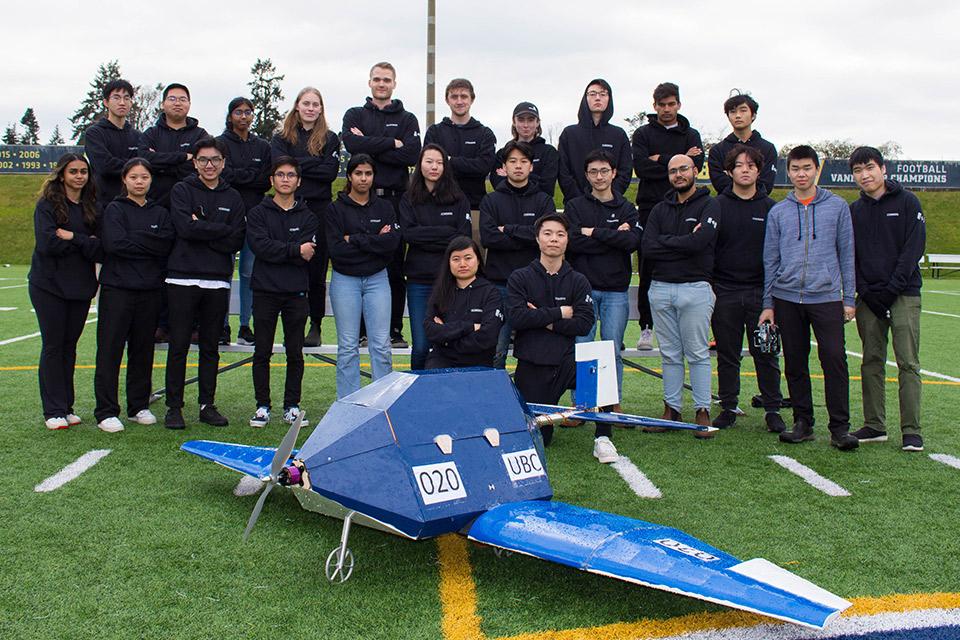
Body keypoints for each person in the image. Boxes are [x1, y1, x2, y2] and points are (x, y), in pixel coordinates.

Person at [760, 145, 859, 451]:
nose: (801, 174)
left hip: (826, 297)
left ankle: (840, 428)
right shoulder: (778, 211)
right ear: (788, 172)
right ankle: (803, 423)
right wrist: (768, 304)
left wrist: (849, 298)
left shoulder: (838, 207)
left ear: (817, 169)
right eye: (795, 169)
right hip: (787, 297)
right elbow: (770, 260)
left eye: (806, 168)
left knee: (834, 359)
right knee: (795, 362)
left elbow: (847, 254)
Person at [507, 214, 616, 464]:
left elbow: (584, 322)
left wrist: (543, 319)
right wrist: (560, 313)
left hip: (566, 361)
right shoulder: (520, 277)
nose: (553, 239)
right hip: (532, 363)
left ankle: (603, 438)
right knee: (542, 439)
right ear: (537, 239)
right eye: (547, 233)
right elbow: (517, 318)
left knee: (601, 371)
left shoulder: (578, 280)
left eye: (560, 234)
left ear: (567, 240)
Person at [163, 137, 246, 429]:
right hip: (181, 278)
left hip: (217, 281)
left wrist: (202, 226)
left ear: (223, 163)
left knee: (210, 347)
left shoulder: (233, 197)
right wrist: (217, 230)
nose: (209, 165)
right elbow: (184, 228)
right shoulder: (182, 190)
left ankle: (207, 405)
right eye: (203, 160)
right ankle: (174, 407)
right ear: (195, 162)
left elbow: (236, 239)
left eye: (215, 160)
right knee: (179, 345)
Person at [848, 146, 926, 452]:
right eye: (857, 170)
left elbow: (912, 250)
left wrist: (891, 290)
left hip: (903, 293)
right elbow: (850, 254)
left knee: (908, 363)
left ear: (882, 168)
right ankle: (875, 425)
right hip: (869, 298)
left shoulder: (907, 201)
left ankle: (911, 430)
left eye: (869, 167)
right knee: (871, 361)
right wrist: (867, 291)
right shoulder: (854, 210)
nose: (864, 175)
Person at [342, 62, 422, 348]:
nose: (381, 84)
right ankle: (363, 331)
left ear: (394, 84)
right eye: (377, 79)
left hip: (395, 199)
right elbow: (352, 146)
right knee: (362, 261)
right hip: (360, 199)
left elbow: (412, 155)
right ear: (369, 82)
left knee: (393, 265)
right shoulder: (355, 114)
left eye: (387, 80)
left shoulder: (408, 117)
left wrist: (371, 144)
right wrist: (392, 144)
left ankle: (394, 330)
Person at [94, 159, 175, 433]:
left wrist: (136, 239)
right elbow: (115, 244)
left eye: (144, 177)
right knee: (110, 350)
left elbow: (165, 245)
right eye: (134, 177)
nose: (139, 182)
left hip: (150, 290)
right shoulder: (114, 209)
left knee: (142, 350)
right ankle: (106, 410)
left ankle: (138, 405)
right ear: (124, 180)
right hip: (117, 289)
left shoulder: (160, 213)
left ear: (150, 180)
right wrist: (146, 242)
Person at [642, 154, 719, 434]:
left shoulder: (710, 204)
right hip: (661, 288)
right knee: (670, 354)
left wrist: (668, 243)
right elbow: (648, 248)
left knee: (697, 353)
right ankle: (671, 410)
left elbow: (701, 242)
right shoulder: (659, 210)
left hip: (695, 288)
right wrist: (683, 242)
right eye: (673, 171)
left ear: (695, 171)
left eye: (683, 169)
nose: (678, 175)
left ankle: (702, 411)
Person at [710, 145, 785, 432]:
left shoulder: (771, 209)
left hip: (760, 293)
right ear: (729, 171)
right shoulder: (717, 205)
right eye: (739, 165)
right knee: (728, 354)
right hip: (725, 291)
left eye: (750, 165)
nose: (745, 169)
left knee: (766, 353)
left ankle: (773, 409)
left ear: (758, 170)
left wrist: (771, 298)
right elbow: (708, 249)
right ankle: (728, 406)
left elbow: (778, 255)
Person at [28, 154, 101, 430]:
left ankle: (67, 406)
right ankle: (53, 410)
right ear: (62, 175)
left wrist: (73, 237)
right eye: (73, 172)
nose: (79, 176)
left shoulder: (91, 207)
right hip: (48, 285)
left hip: (80, 286)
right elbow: (47, 244)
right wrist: (85, 244)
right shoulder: (47, 205)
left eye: (83, 171)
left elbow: (101, 247)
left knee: (69, 348)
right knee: (53, 345)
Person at [246, 157, 318, 428]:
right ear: (272, 180)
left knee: (294, 352)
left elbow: (308, 253)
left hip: (296, 292)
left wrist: (288, 251)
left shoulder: (309, 217)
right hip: (265, 291)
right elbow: (261, 247)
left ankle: (292, 406)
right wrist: (292, 250)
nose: (285, 179)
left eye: (290, 175)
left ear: (298, 181)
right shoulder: (257, 213)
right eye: (280, 174)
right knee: (262, 351)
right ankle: (262, 406)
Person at [565, 150, 641, 409]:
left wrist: (593, 232)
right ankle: (582, 404)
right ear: (586, 175)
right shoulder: (575, 206)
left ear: (614, 173)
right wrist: (611, 237)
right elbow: (573, 243)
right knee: (583, 348)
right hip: (582, 290)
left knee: (612, 350)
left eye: (604, 171)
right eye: (594, 172)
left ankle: (612, 402)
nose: (599, 176)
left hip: (616, 291)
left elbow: (630, 242)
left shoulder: (626, 208)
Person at [632, 82, 704, 350]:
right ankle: (647, 327)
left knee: (689, 260)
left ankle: (686, 327)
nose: (666, 109)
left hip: (688, 207)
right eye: (661, 105)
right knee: (648, 266)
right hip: (651, 207)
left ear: (679, 105)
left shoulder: (692, 133)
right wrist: (677, 159)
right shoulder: (642, 133)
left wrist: (658, 159)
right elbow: (641, 167)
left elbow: (694, 168)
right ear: (654, 106)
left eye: (671, 104)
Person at [326, 154, 400, 398]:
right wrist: (374, 241)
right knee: (348, 347)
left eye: (368, 173)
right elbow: (337, 250)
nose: (364, 178)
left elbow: (390, 245)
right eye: (359, 173)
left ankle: (383, 402)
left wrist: (354, 239)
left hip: (377, 279)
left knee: (381, 345)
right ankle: (348, 403)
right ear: (349, 176)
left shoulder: (385, 207)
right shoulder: (335, 209)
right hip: (345, 279)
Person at [272, 87, 341, 347]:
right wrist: (312, 163)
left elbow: (330, 173)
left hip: (319, 209)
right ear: (297, 105)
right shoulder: (282, 136)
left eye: (316, 104)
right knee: (289, 263)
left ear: (321, 108)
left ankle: (315, 324)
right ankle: (292, 322)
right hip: (290, 207)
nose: (311, 108)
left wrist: (297, 164)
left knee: (316, 268)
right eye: (306, 103)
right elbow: (280, 167)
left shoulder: (330, 138)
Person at [479, 140, 557, 368]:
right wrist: (529, 235)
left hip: (535, 285)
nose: (518, 166)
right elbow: (489, 238)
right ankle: (495, 401)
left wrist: (509, 230)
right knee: (496, 350)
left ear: (531, 166)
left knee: (535, 350)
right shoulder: (491, 200)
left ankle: (532, 397)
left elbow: (546, 239)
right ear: (504, 167)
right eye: (512, 161)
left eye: (524, 161)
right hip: (499, 284)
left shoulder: (544, 201)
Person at [399, 144, 472, 369]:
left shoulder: (458, 199)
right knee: (421, 345)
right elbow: (409, 234)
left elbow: (463, 238)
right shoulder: (408, 198)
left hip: (450, 283)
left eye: (439, 162)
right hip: (418, 282)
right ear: (420, 164)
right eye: (429, 161)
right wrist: (445, 233)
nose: (434, 167)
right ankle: (416, 396)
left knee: (449, 342)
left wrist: (426, 233)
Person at [218, 97, 272, 346]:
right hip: (226, 217)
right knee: (224, 272)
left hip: (255, 218)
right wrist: (247, 175)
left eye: (248, 112)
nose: (243, 116)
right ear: (230, 116)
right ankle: (223, 325)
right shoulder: (220, 144)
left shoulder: (262, 146)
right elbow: (223, 177)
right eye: (238, 112)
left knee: (249, 273)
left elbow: (263, 180)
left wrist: (241, 176)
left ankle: (244, 325)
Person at [423, 78, 497, 243]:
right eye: (454, 96)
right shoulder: (435, 132)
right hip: (438, 206)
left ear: (472, 99)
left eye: (464, 96)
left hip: (475, 208)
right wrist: (468, 164)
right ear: (447, 100)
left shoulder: (484, 134)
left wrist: (448, 161)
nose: (459, 101)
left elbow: (483, 167)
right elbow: (428, 168)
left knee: (472, 263)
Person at [424, 236, 503, 368]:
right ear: (448, 263)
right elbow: (430, 330)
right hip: (441, 361)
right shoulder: (440, 292)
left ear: (478, 260)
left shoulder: (491, 293)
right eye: (456, 259)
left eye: (468, 258)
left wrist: (447, 340)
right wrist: (470, 327)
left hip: (478, 362)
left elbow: (488, 335)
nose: (462, 264)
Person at [557, 79, 631, 203]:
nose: (598, 98)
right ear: (585, 98)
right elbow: (564, 172)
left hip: (611, 205)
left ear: (609, 98)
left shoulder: (619, 135)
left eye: (603, 94)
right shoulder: (569, 134)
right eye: (592, 94)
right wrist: (579, 201)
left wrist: (608, 197)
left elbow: (625, 171)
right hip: (576, 205)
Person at [138, 83, 209, 208]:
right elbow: (144, 162)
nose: (177, 103)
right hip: (155, 205)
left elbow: (202, 167)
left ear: (189, 104)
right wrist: (182, 157)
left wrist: (160, 166)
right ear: (162, 104)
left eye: (182, 99)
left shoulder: (200, 135)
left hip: (192, 204)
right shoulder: (151, 134)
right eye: (172, 99)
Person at [706, 92, 778, 195]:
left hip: (759, 206)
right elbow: (720, 184)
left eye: (743, 110)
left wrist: (735, 179)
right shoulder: (717, 150)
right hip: (726, 207)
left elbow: (766, 184)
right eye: (733, 111)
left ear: (753, 115)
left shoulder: (768, 148)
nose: (738, 115)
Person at [84, 78, 140, 208]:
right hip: (103, 204)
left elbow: (146, 165)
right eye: (116, 98)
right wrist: (134, 165)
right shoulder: (94, 134)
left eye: (126, 98)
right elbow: (104, 166)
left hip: (133, 204)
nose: (122, 103)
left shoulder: (138, 136)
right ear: (106, 102)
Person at [490, 102, 559, 198]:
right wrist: (535, 178)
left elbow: (547, 187)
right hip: (508, 206)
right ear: (514, 122)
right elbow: (498, 185)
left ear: (537, 122)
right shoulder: (502, 153)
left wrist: (511, 175)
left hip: (539, 208)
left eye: (530, 120)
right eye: (521, 120)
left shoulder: (549, 152)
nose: (526, 125)